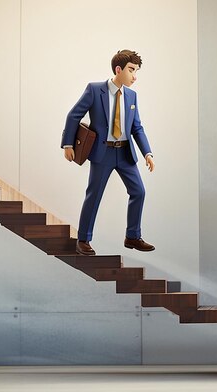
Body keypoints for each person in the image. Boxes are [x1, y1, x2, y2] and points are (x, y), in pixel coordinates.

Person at [61, 50, 155, 255]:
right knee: (94, 195)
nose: (134, 76)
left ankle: (132, 236)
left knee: (138, 191)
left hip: (124, 153)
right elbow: (74, 115)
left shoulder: (131, 95)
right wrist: (68, 145)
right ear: (118, 69)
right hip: (102, 153)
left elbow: (136, 127)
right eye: (131, 70)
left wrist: (148, 153)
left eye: (137, 71)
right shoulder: (95, 90)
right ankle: (83, 239)